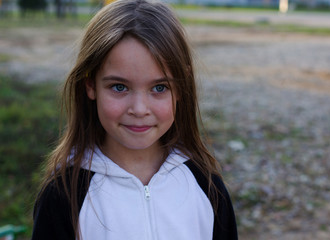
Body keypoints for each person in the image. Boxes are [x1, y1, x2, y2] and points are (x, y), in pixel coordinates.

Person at [31, 0, 238, 239]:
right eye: (119, 87)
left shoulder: (207, 185)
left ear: (180, 88)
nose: (139, 109)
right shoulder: (63, 195)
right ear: (90, 85)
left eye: (159, 87)